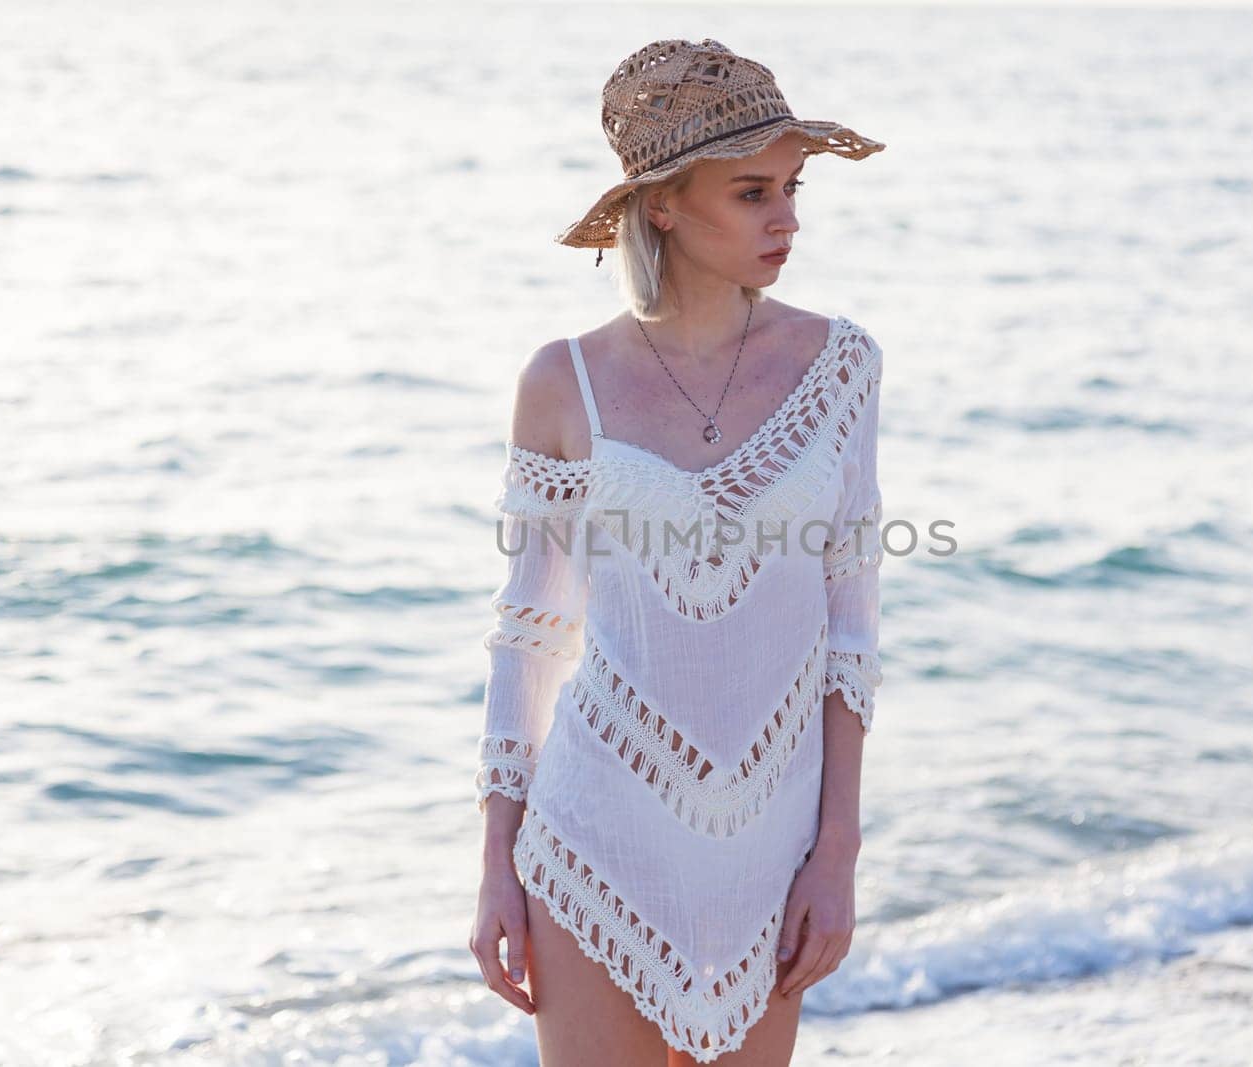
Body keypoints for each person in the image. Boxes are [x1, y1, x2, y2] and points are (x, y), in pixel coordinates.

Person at [469, 38, 887, 1067]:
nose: (786, 217)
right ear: (660, 202)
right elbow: (528, 637)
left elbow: (849, 635)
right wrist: (494, 867)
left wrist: (835, 852)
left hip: (771, 847)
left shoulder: (839, 366)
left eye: (791, 188)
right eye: (751, 192)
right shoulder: (563, 382)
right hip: (592, 835)